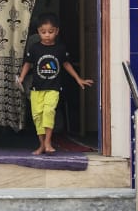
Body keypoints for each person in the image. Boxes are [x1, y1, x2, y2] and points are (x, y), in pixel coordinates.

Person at [16, 13, 92, 154]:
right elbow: (28, 63)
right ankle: (41, 145)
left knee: (49, 113)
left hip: (53, 88)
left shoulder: (60, 48)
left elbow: (66, 64)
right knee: (37, 117)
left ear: (56, 31)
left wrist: (78, 78)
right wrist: (21, 77)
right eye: (43, 32)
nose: (46, 35)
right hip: (36, 89)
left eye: (50, 32)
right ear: (38, 32)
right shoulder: (34, 48)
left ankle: (48, 142)